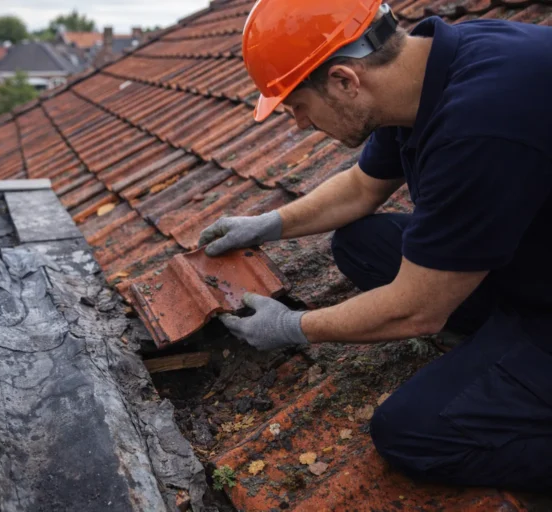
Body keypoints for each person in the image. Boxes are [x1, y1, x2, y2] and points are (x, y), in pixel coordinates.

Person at [198, 0, 552, 493]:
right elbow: (362, 187)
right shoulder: (425, 72)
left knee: (411, 434)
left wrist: (291, 327)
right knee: (361, 243)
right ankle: (498, 340)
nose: (298, 123)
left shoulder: (480, 124)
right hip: (532, 251)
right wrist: (267, 224)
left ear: (344, 80)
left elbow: (417, 311)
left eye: (298, 105)